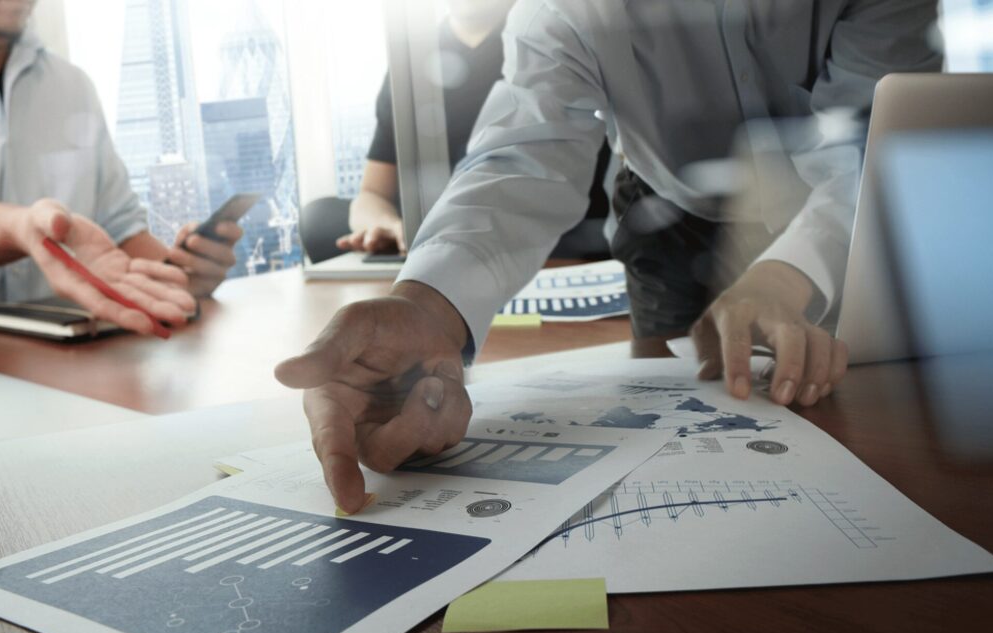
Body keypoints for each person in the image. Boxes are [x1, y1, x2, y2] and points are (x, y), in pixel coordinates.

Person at [276, 0, 942, 513]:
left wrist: (789, 274)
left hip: (844, 205)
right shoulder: (560, 9)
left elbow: (874, 145)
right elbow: (526, 157)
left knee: (866, 419)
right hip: (668, 213)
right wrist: (426, 306)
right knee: (696, 427)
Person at [0, 0, 240, 335]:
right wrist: (17, 227)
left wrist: (179, 276)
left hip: (69, 355)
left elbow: (120, 227)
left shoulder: (72, 87)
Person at [337, 0, 611, 257]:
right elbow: (371, 195)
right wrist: (389, 225)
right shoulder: (411, 63)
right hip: (442, 247)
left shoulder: (553, 42)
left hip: (555, 241)